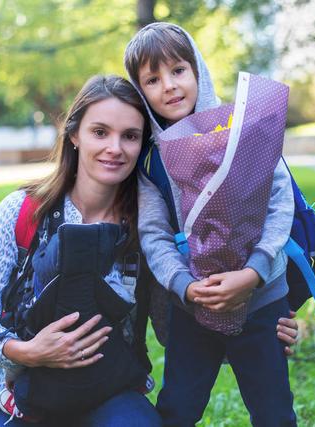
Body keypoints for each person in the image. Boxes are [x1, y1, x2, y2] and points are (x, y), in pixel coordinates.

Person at [0, 75, 162, 426]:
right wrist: (27, 352)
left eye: (130, 136)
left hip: (111, 390)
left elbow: (176, 320)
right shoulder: (23, 210)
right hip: (26, 393)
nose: (115, 147)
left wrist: (258, 326)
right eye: (100, 132)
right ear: (74, 135)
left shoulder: (148, 226)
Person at [124, 22, 298, 426]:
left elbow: (279, 204)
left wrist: (254, 272)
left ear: (198, 68)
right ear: (140, 91)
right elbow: (154, 234)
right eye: (152, 79)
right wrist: (185, 286)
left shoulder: (243, 129)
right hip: (191, 304)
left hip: (262, 296)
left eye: (178, 70)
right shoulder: (150, 158)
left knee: (273, 409)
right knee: (178, 408)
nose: (169, 85)